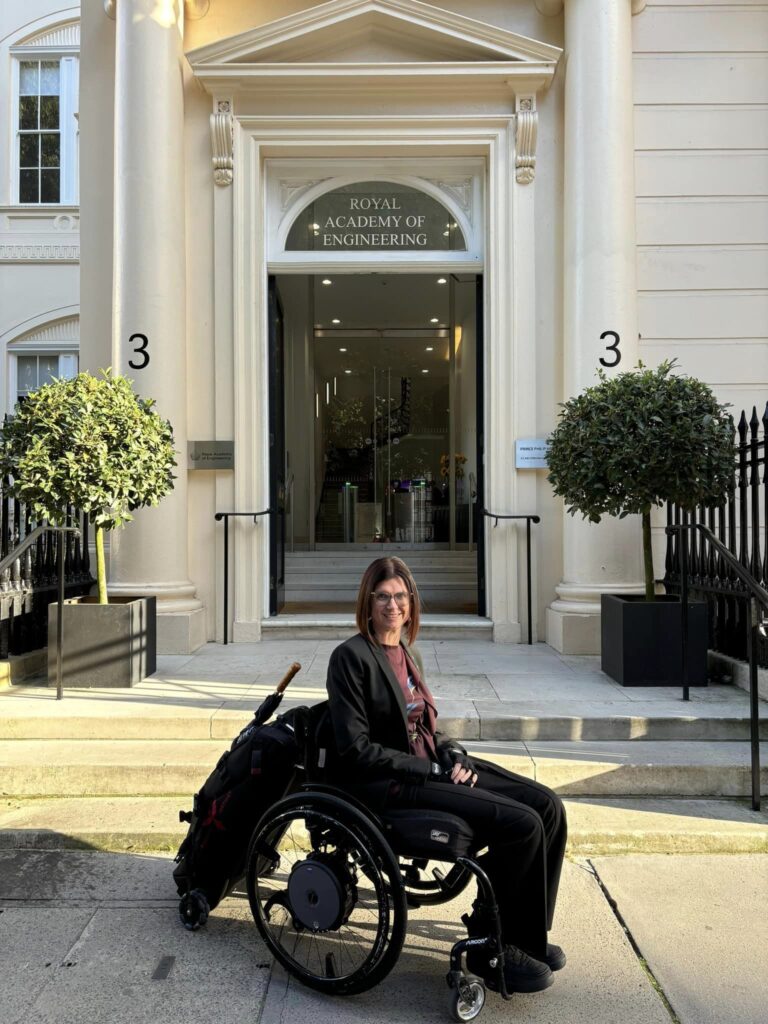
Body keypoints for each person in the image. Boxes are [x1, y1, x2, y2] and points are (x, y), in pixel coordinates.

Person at [325, 556, 567, 995]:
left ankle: (528, 935)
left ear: (412, 604)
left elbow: (423, 726)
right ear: (367, 601)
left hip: (432, 765)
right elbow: (355, 750)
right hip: (396, 784)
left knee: (547, 805)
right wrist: (431, 767)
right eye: (382, 596)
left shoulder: (408, 653)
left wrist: (453, 753)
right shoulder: (350, 658)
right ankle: (491, 945)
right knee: (522, 824)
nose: (392, 604)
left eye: (400, 596)